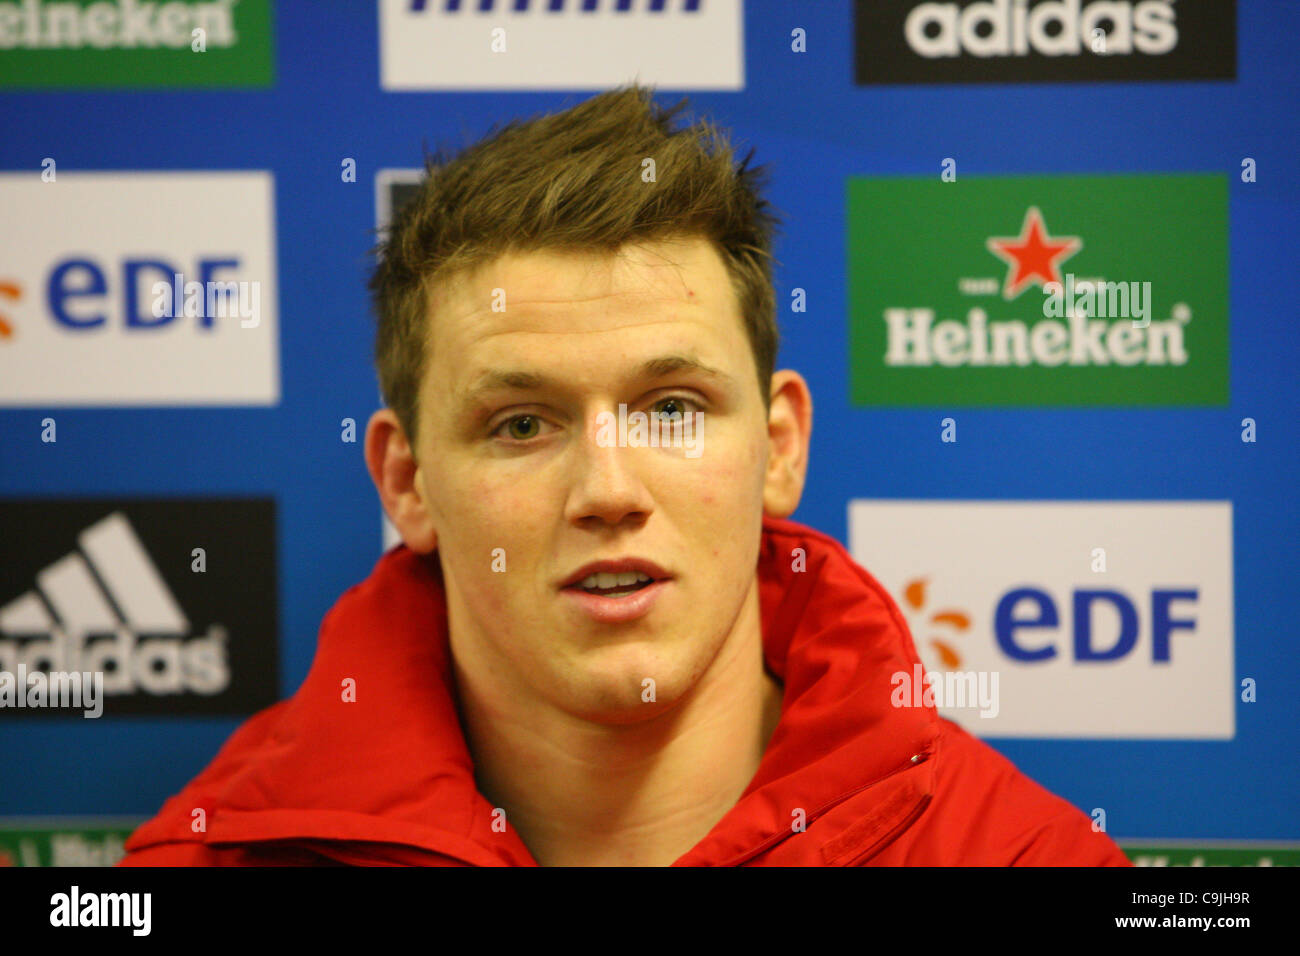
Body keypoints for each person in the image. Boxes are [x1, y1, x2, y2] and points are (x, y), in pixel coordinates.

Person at [119, 85, 1130, 866]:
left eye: (673, 409)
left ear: (777, 447)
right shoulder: (216, 855)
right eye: (520, 423)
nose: (608, 488)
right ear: (406, 483)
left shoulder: (1017, 855)